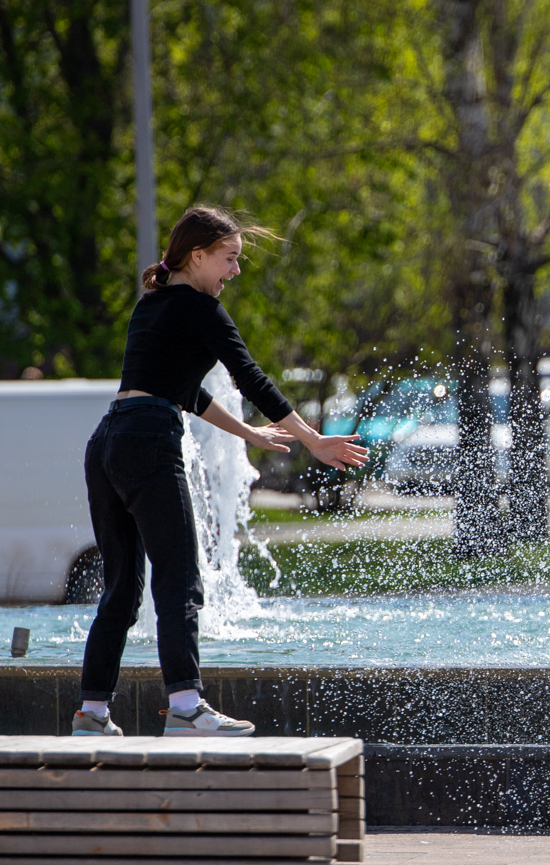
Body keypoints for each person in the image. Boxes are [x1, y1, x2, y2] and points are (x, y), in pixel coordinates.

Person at [73, 205, 368, 737]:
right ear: (198, 255)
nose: (235, 270)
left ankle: (91, 714)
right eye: (229, 259)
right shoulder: (200, 309)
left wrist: (250, 436)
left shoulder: (154, 304)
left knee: (122, 586)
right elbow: (250, 376)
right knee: (181, 576)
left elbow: (183, 389)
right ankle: (186, 708)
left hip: (108, 441)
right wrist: (312, 439)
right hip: (147, 440)